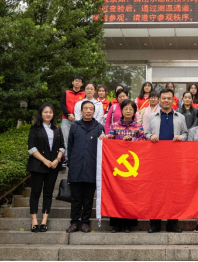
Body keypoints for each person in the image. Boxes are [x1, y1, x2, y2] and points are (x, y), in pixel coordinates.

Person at [144, 88, 189, 233]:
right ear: (159, 99)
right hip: (156, 160)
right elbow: (146, 133)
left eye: (169, 98)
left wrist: (180, 138)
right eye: (163, 98)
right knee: (155, 191)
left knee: (173, 191)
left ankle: (172, 223)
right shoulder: (152, 116)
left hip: (174, 160)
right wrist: (150, 136)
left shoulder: (180, 117)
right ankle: (154, 224)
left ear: (173, 100)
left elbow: (185, 133)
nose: (166, 101)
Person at [106, 100, 145, 233]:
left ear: (134, 112)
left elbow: (144, 142)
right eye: (125, 108)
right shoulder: (114, 125)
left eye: (131, 109)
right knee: (116, 195)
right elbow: (109, 142)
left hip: (134, 166)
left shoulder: (139, 126)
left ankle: (129, 224)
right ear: (121, 111)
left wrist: (133, 140)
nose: (128, 111)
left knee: (131, 195)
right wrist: (104, 139)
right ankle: (117, 224)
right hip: (117, 167)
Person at [66, 101, 105, 234]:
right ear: (81, 111)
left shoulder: (99, 127)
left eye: (91, 109)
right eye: (86, 109)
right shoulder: (75, 126)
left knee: (88, 197)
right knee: (76, 197)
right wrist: (71, 163)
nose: (88, 111)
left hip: (92, 168)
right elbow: (70, 146)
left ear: (94, 112)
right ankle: (74, 222)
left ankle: (85, 222)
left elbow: (103, 148)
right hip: (76, 167)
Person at [27, 103, 65, 233]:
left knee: (48, 193)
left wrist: (57, 160)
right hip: (38, 165)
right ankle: (34, 220)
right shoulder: (34, 129)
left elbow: (62, 146)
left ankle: (44, 221)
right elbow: (31, 148)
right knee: (35, 193)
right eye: (45, 112)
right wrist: (44, 160)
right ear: (41, 113)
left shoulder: (57, 129)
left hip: (53, 166)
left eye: (50, 112)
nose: (48, 114)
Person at [60, 76, 85, 161]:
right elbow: (62, 105)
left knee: (77, 138)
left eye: (79, 81)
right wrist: (68, 115)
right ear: (72, 82)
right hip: (66, 119)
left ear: (82, 84)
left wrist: (75, 116)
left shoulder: (84, 94)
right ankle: (66, 158)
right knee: (65, 139)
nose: (77, 82)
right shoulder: (66, 92)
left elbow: (84, 107)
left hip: (78, 120)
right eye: (76, 81)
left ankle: (76, 157)